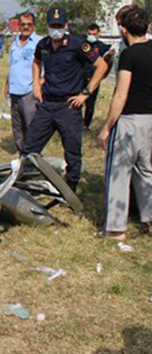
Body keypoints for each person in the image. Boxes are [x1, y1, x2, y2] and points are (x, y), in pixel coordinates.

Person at [22, 7, 108, 192]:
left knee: (72, 151)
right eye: (53, 25)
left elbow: (101, 65)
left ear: (66, 25)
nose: (56, 28)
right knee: (30, 146)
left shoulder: (78, 45)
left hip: (68, 106)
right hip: (47, 104)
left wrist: (86, 93)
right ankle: (24, 183)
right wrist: (36, 84)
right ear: (47, 26)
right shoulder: (43, 45)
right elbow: (37, 62)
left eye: (59, 25)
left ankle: (70, 189)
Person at [97, 9, 152, 240]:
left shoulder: (129, 55)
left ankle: (116, 229)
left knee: (119, 173)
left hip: (130, 120)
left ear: (124, 29)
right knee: (147, 172)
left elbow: (121, 95)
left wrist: (107, 126)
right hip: (150, 121)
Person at [4, 12, 42, 153]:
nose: (26, 27)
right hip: (14, 90)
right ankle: (22, 153)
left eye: (29, 24)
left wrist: (39, 86)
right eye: (23, 24)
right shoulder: (14, 42)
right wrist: (7, 85)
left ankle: (33, 156)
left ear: (34, 26)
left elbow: (44, 67)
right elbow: (12, 65)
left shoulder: (40, 42)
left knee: (31, 125)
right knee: (17, 126)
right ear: (19, 25)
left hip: (29, 91)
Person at [81, 24, 114, 130]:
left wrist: (104, 75)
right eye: (89, 34)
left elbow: (109, 59)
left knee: (90, 104)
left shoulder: (101, 46)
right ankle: (77, 123)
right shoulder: (82, 44)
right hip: (80, 77)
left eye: (94, 34)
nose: (91, 36)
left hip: (94, 79)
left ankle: (86, 125)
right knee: (77, 102)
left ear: (98, 33)